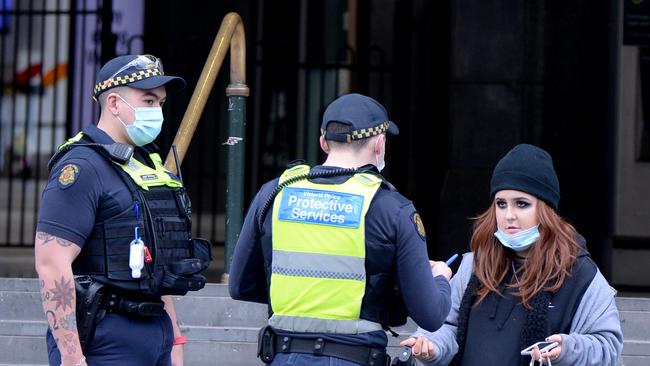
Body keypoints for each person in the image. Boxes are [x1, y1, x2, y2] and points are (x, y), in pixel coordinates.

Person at [229, 93, 453, 366]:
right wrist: (440, 278)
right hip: (355, 357)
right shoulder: (393, 209)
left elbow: (240, 286)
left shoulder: (275, 193)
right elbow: (431, 315)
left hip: (284, 355)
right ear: (380, 144)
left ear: (323, 142)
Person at [34, 54, 212, 366]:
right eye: (147, 100)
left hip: (155, 333)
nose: (156, 111)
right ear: (114, 103)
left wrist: (175, 339)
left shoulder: (145, 164)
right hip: (105, 335)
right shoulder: (81, 167)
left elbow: (156, 262)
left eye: (159, 102)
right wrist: (72, 357)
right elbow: (51, 263)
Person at [401, 144, 623, 366]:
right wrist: (431, 347)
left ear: (545, 209)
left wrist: (566, 350)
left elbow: (607, 347)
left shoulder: (579, 273)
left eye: (522, 204)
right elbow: (446, 326)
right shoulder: (475, 264)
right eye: (501, 204)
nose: (509, 215)